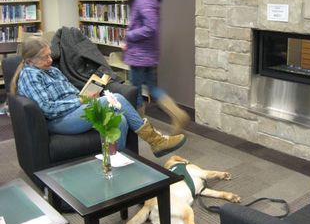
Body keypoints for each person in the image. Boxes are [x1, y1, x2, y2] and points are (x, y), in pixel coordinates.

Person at [10, 37, 187, 158]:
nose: (50, 59)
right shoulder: (31, 76)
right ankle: (155, 140)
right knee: (114, 98)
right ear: (30, 60)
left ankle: (117, 162)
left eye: (50, 54)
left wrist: (87, 94)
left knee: (120, 120)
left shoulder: (52, 70)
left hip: (74, 110)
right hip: (59, 120)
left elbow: (71, 92)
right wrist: (80, 101)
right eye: (44, 57)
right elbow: (48, 108)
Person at [123, 0, 189, 134]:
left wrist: (129, 35)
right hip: (148, 53)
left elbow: (150, 28)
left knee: (135, 90)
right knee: (151, 88)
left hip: (140, 55)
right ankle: (176, 114)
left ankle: (139, 127)